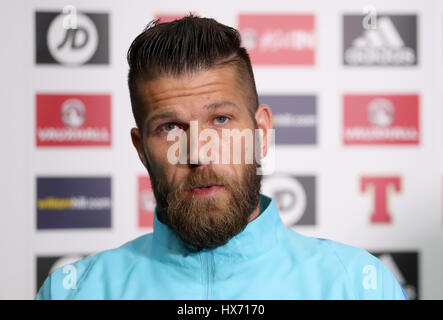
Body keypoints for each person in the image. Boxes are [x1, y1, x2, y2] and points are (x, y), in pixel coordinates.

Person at [36, 15, 407, 300]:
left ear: (261, 132)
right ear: (141, 150)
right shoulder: (74, 291)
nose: (199, 152)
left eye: (220, 120)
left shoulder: (357, 286)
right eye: (169, 128)